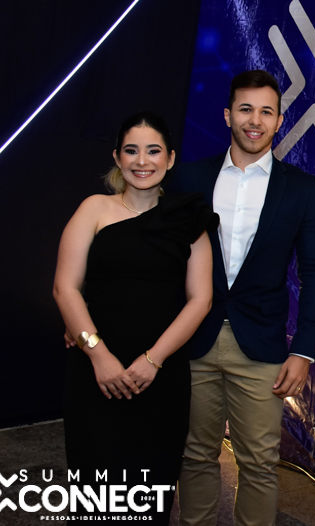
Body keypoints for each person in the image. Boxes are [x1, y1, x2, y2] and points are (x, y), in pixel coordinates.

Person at [171, 70, 315, 526]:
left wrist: (304, 350)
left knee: (259, 464)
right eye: (245, 109)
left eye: (266, 112)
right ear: (228, 115)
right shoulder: (189, 178)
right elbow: (159, 258)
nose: (254, 121)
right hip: (192, 339)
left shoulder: (300, 188)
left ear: (279, 120)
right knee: (195, 454)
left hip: (261, 346)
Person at [54, 112, 218, 524]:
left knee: (150, 493)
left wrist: (153, 360)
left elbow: (200, 299)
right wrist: (98, 356)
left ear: (171, 158)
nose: (142, 161)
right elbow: (65, 288)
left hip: (160, 377)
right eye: (131, 150)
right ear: (117, 157)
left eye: (153, 151)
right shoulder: (94, 208)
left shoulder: (190, 219)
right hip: (95, 376)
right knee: (95, 495)